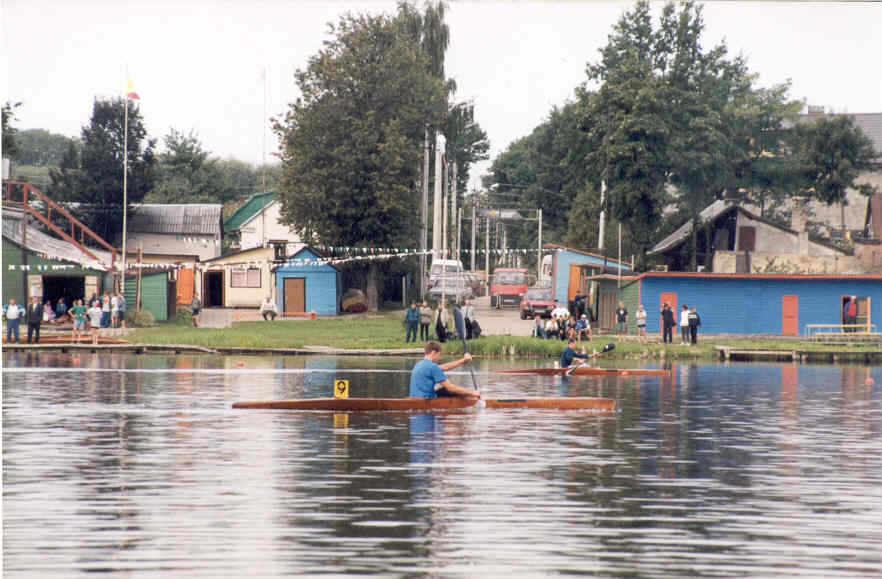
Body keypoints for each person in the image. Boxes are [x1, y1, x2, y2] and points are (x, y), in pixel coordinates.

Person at [409, 341, 480, 399]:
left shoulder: (419, 364)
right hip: (426, 400)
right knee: (449, 390)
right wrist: (472, 392)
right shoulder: (433, 367)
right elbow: (450, 388)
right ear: (433, 353)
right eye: (439, 355)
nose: (439, 358)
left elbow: (446, 367)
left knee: (443, 391)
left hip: (414, 398)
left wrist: (464, 360)